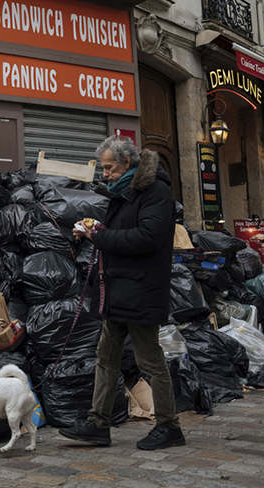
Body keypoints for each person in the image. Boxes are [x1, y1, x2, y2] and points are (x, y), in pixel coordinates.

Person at [58, 135, 184, 451]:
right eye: (103, 168)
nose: (105, 174)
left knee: (149, 360)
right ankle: (98, 424)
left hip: (141, 291)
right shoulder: (125, 192)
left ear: (127, 163)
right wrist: (94, 231)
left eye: (109, 168)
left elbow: (146, 238)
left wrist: (99, 236)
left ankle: (169, 426)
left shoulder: (155, 192)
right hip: (118, 290)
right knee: (106, 356)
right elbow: (123, 233)